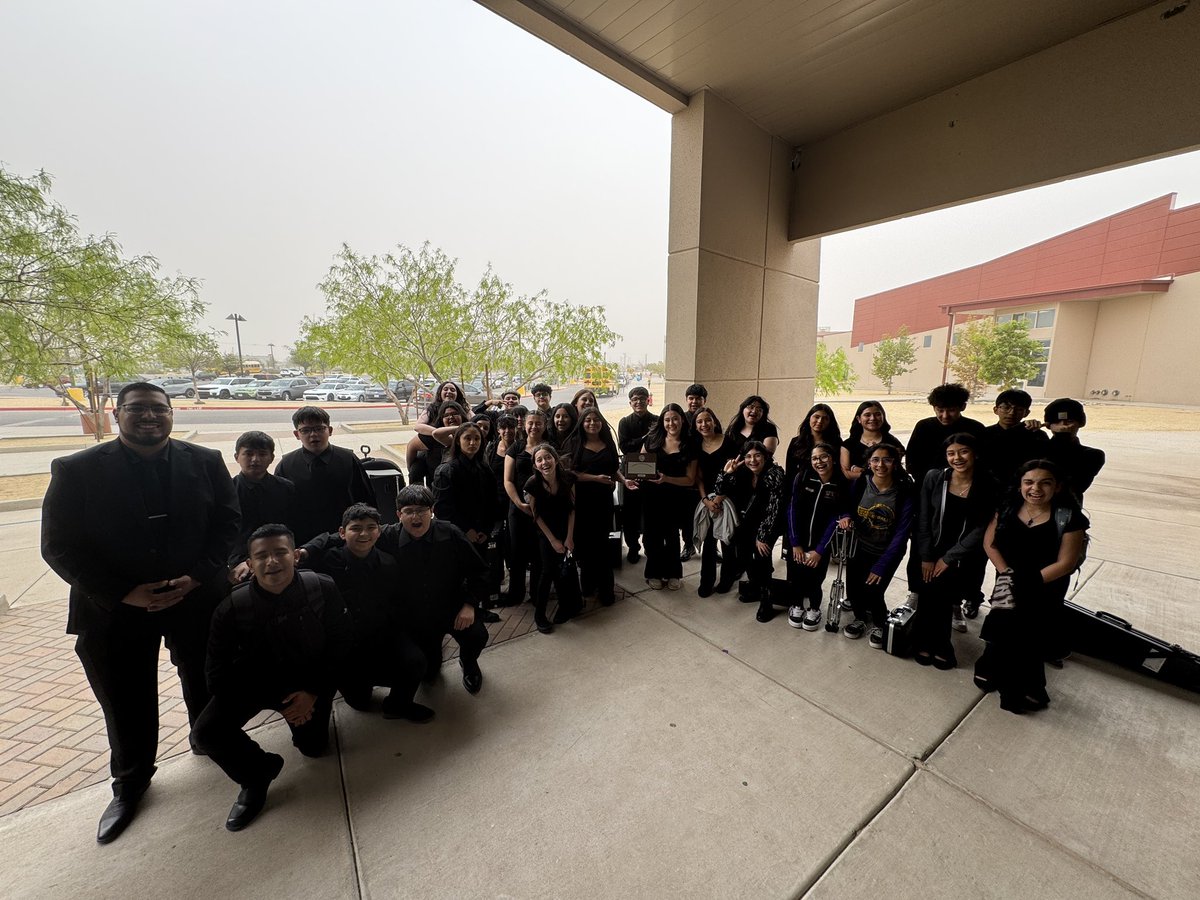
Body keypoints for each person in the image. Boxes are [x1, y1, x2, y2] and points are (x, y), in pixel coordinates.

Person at [41, 382, 240, 844]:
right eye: (137, 409)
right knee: (125, 697)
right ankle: (131, 782)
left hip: (193, 597)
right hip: (114, 609)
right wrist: (124, 593)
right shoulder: (76, 470)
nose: (149, 416)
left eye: (158, 409)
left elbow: (227, 524)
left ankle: (207, 738)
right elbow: (58, 546)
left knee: (204, 676)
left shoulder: (205, 461)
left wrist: (197, 576)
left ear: (171, 414)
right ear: (117, 414)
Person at [193, 524, 351, 832]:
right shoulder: (231, 610)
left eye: (280, 553)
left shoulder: (322, 588)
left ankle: (305, 721)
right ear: (250, 564)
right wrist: (278, 702)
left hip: (309, 685)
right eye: (262, 556)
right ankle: (258, 774)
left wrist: (313, 694)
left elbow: (342, 647)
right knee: (207, 733)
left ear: (295, 556)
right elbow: (216, 678)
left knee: (314, 748)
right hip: (255, 687)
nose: (272, 562)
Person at [305, 485, 490, 695]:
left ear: (432, 511)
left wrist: (469, 604)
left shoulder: (451, 533)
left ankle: (468, 662)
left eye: (422, 510)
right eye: (409, 511)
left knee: (477, 635)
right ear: (398, 515)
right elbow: (341, 535)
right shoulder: (385, 535)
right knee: (428, 673)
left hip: (451, 607)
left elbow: (479, 570)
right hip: (414, 616)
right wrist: (305, 551)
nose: (415, 517)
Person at [975, 460, 1088, 713]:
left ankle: (1026, 688)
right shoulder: (1007, 508)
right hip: (1006, 579)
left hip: (1044, 588)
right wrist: (1006, 574)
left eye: (1044, 482)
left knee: (1029, 640)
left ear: (1056, 487)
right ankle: (987, 668)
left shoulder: (1069, 517)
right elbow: (990, 543)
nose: (1035, 488)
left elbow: (1066, 562)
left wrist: (1026, 583)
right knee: (1000, 630)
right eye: (1029, 482)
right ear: (1019, 485)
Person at [305, 504, 429, 720]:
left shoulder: (389, 563)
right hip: (346, 646)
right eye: (356, 528)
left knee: (416, 661)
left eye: (371, 527)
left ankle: (398, 705)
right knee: (359, 701)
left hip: (380, 635)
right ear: (342, 533)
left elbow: (398, 604)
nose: (364, 534)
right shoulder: (325, 563)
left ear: (379, 532)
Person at [913, 434, 996, 668]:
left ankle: (941, 645)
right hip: (932, 548)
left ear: (975, 453)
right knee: (928, 596)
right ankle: (923, 642)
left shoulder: (988, 484)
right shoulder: (935, 478)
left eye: (963, 452)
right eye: (951, 453)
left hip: (964, 554)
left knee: (945, 597)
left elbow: (982, 527)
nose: (957, 458)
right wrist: (927, 556)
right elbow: (924, 517)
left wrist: (949, 558)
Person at [902, 384, 986, 610]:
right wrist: (936, 484)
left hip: (964, 497)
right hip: (929, 495)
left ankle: (957, 601)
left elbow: (984, 462)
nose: (944, 415)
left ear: (962, 407)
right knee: (922, 546)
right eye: (939, 409)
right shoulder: (924, 427)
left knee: (965, 551)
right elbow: (912, 461)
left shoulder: (975, 428)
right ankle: (916, 591)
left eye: (950, 410)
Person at [840, 443, 916, 648]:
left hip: (886, 552)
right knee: (855, 589)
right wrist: (847, 516)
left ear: (895, 463)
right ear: (869, 462)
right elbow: (848, 505)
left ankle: (880, 623)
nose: (880, 464)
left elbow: (902, 534)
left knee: (874, 591)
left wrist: (882, 564)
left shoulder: (903, 492)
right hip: (859, 547)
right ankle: (860, 619)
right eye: (875, 459)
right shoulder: (863, 483)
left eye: (887, 460)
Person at [275, 406, 373, 545]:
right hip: (303, 541)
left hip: (345, 538)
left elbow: (366, 499)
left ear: (330, 430)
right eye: (306, 430)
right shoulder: (287, 465)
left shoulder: (347, 459)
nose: (313, 434)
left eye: (320, 429)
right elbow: (281, 508)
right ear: (297, 434)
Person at [714, 442, 786, 621]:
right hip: (747, 523)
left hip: (769, 524)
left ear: (766, 456)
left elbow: (774, 509)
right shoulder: (742, 472)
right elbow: (720, 490)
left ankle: (766, 601)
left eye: (757, 455)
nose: (752, 460)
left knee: (762, 559)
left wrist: (763, 536)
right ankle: (755, 589)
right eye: (748, 456)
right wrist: (727, 472)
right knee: (745, 556)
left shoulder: (774, 474)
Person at [785, 443, 850, 630]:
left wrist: (819, 550)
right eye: (815, 458)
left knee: (815, 579)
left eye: (824, 457)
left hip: (821, 545)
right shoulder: (803, 478)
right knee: (796, 576)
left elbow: (837, 516)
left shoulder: (841, 484)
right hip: (798, 540)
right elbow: (792, 509)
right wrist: (795, 543)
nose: (819, 462)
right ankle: (797, 605)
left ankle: (814, 608)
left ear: (833, 459)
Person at [568, 407, 628, 607]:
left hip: (604, 502)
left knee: (603, 546)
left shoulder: (608, 443)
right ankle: (588, 586)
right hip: (583, 502)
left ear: (601, 422)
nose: (592, 423)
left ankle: (606, 590)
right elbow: (571, 473)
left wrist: (625, 481)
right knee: (585, 546)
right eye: (588, 420)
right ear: (582, 423)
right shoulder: (575, 443)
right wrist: (595, 478)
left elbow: (613, 470)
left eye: (596, 420)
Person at [640, 403, 697, 590]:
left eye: (675, 419)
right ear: (662, 421)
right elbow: (640, 468)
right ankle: (653, 573)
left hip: (675, 497)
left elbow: (690, 480)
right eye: (667, 419)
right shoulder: (651, 440)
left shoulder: (690, 444)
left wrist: (667, 479)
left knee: (672, 536)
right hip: (651, 496)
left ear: (682, 420)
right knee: (652, 537)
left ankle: (674, 574)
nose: (671, 423)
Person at [229, 430, 296, 584]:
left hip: (282, 559)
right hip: (240, 565)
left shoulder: (286, 488)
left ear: (272, 458)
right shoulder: (226, 492)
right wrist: (242, 562)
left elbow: (294, 526)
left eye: (262, 454)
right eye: (248, 454)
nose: (255, 459)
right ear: (236, 457)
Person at [524, 443, 579, 632]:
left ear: (555, 459)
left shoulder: (568, 478)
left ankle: (568, 606)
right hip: (546, 533)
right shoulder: (533, 484)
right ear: (535, 465)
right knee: (548, 572)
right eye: (539, 460)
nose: (544, 462)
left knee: (568, 568)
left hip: (566, 529)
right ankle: (540, 615)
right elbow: (536, 515)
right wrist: (553, 541)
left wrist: (569, 537)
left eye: (547, 457)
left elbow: (572, 509)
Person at [503, 410, 549, 608]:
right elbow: (507, 480)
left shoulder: (549, 448)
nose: (534, 427)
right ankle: (516, 593)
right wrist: (519, 504)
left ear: (544, 426)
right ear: (525, 425)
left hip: (544, 510)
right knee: (517, 553)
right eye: (531, 423)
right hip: (518, 509)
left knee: (539, 553)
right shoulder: (516, 448)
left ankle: (537, 594)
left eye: (538, 423)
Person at [431, 421, 497, 557]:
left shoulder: (485, 470)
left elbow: (492, 502)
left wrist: (486, 529)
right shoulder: (446, 470)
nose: (472, 443)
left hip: (480, 534)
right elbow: (441, 508)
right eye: (467, 438)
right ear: (457, 441)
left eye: (477, 439)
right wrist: (466, 530)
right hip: (454, 534)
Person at [693, 408, 737, 597]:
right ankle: (706, 581)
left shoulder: (729, 442)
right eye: (699, 422)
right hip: (708, 500)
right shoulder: (695, 445)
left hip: (727, 498)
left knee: (727, 542)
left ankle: (727, 579)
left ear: (714, 421)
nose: (704, 425)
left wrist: (719, 498)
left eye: (708, 420)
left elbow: (735, 474)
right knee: (709, 542)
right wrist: (705, 500)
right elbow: (698, 477)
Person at [617, 386, 657, 563]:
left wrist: (640, 443)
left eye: (642, 398)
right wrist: (644, 438)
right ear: (630, 402)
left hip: (651, 470)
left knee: (649, 511)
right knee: (630, 512)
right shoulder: (625, 422)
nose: (639, 402)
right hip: (630, 472)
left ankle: (650, 546)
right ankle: (633, 547)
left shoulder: (656, 420)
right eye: (635, 399)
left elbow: (657, 445)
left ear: (648, 400)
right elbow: (624, 447)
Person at [483, 414, 519, 604]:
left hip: (514, 502)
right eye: (503, 428)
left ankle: (515, 586)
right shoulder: (491, 448)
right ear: (498, 430)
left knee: (513, 544)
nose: (507, 431)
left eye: (511, 427)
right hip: (495, 503)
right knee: (496, 544)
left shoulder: (519, 448)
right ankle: (495, 584)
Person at [979, 389, 1049, 487]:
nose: (1011, 412)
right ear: (995, 410)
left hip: (1023, 487)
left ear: (1026, 413)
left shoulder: (1037, 435)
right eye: (1006, 407)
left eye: (1019, 409)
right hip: (988, 485)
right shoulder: (983, 434)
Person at [1041, 398, 1105, 502]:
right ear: (1048, 425)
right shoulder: (1037, 447)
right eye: (1057, 422)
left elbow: (1075, 485)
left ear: (1080, 423)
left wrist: (1062, 438)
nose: (1064, 426)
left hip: (1065, 510)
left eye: (1069, 421)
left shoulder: (1092, 455)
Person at [404, 400, 467, 485]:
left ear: (462, 416)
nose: (451, 417)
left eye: (455, 414)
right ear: (441, 420)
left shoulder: (471, 433)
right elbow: (411, 446)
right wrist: (411, 469)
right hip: (437, 484)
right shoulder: (433, 435)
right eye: (446, 415)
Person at [840, 400, 905, 480]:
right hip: (857, 490)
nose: (873, 418)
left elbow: (893, 471)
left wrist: (859, 471)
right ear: (859, 419)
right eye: (867, 415)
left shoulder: (893, 443)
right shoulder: (848, 445)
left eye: (877, 414)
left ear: (883, 417)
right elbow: (847, 474)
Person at [784, 404, 843, 484]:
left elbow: (840, 469)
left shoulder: (836, 442)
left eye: (825, 418)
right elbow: (790, 472)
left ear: (830, 422)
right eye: (816, 417)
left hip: (828, 488)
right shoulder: (796, 442)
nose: (820, 421)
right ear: (809, 418)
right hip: (801, 487)